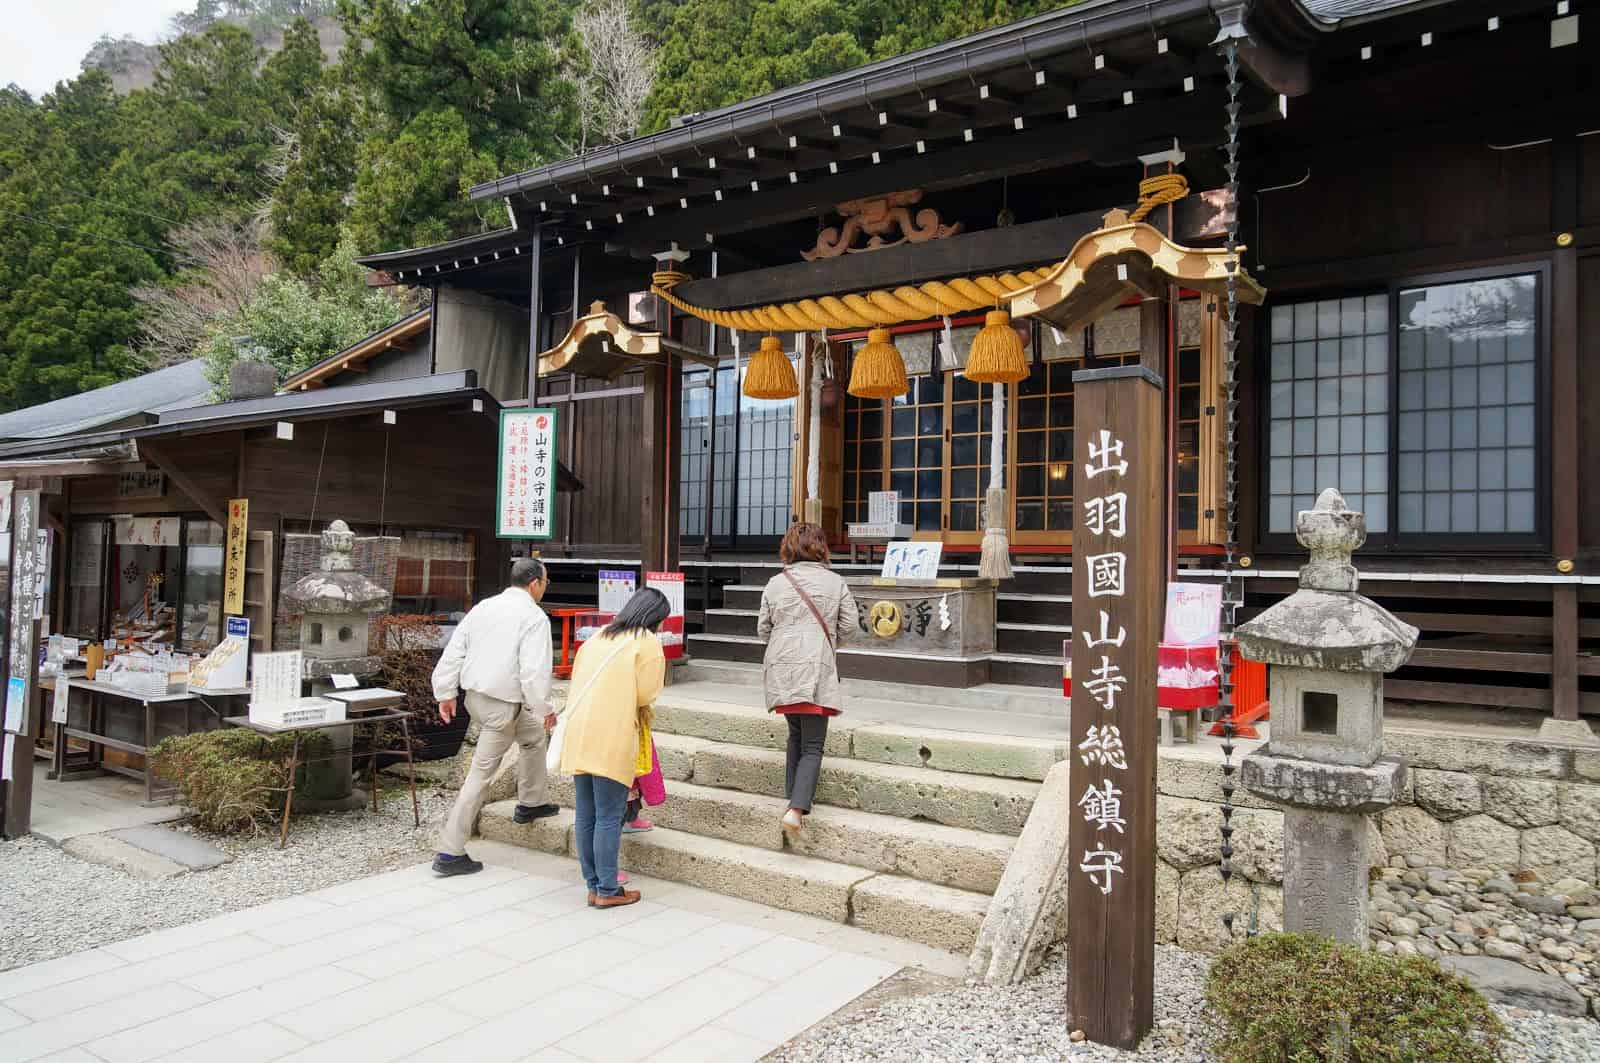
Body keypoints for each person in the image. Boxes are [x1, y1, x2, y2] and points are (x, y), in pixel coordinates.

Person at [429, 558, 559, 876]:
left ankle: (532, 801)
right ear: (535, 584)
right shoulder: (533, 617)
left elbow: (455, 649)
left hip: (477, 700)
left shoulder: (484, 607)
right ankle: (450, 850)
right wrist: (546, 708)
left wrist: (445, 692)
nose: (545, 588)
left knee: (532, 737)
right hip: (502, 708)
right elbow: (533, 672)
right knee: (480, 776)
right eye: (545, 583)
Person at [559, 587, 669, 908]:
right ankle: (607, 890)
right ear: (656, 618)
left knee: (586, 813)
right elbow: (647, 694)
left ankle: (593, 885)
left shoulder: (598, 637)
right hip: (614, 733)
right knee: (609, 814)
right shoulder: (645, 642)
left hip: (580, 732)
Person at [758, 523, 859, 834]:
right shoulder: (835, 582)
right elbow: (850, 625)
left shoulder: (775, 583)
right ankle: (796, 810)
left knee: (796, 736)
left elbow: (763, 629)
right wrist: (827, 642)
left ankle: (792, 797)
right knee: (813, 744)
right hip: (816, 667)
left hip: (781, 668)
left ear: (789, 547)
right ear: (821, 547)